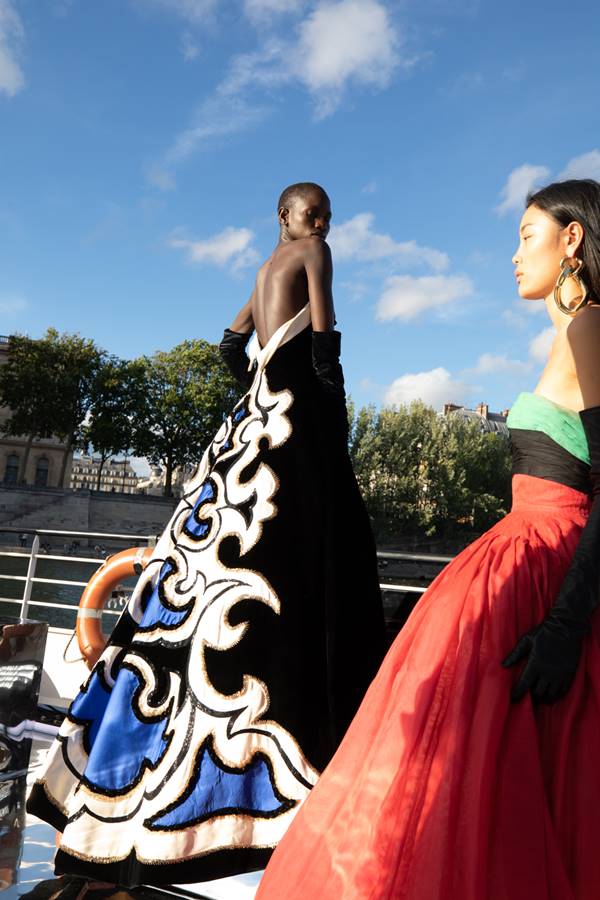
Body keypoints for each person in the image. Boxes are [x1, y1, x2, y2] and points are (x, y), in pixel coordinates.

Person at [27, 182, 385, 887]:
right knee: (312, 547)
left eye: (322, 217)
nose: (320, 224)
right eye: (314, 215)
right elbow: (325, 339)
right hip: (295, 417)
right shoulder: (317, 253)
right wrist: (330, 410)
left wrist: (253, 387)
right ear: (293, 220)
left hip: (250, 418)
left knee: (199, 553)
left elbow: (229, 346)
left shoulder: (262, 266)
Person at [256, 179, 600, 900]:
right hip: (529, 560)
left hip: (548, 571)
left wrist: (567, 622)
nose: (513, 256)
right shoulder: (572, 333)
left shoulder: (589, 326)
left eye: (527, 236)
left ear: (572, 240)